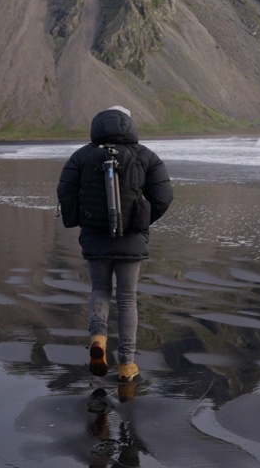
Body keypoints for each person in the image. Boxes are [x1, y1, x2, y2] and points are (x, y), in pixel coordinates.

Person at [57, 106, 172, 387]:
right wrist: (141, 222)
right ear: (129, 124)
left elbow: (65, 192)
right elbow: (164, 196)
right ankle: (126, 363)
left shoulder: (81, 156)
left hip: (95, 237)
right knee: (127, 297)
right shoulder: (146, 156)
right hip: (131, 240)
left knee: (99, 290)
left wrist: (80, 219)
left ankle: (98, 339)